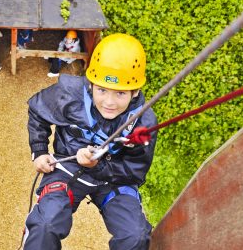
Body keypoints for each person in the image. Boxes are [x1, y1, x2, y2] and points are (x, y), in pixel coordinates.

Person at [23, 33, 157, 250]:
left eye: (120, 94)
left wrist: (99, 166)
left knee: (137, 236)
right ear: (91, 83)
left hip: (112, 180)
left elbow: (134, 172)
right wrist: (39, 151)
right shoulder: (70, 94)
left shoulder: (143, 123)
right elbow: (38, 111)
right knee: (45, 225)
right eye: (102, 90)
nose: (109, 102)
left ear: (135, 92)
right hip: (67, 167)